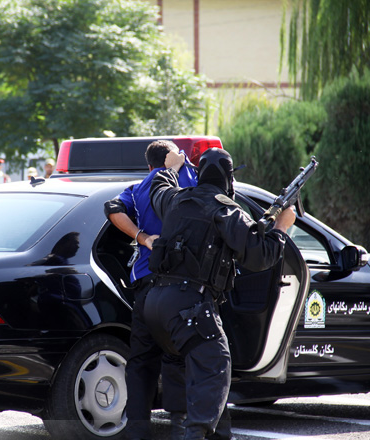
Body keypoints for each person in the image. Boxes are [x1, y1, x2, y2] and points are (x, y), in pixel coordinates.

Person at [144, 148, 296, 440]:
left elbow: (158, 186)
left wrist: (172, 166)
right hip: (191, 307)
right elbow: (259, 257)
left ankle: (203, 434)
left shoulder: (176, 199)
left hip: (157, 307)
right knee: (216, 368)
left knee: (196, 376)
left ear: (200, 174)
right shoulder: (226, 209)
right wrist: (281, 227)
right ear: (229, 179)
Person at [104, 140, 198, 440]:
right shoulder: (189, 178)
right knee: (177, 357)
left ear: (148, 165)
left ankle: (137, 430)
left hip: (146, 286)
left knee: (142, 359)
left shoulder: (139, 187)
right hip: (184, 287)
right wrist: (181, 164)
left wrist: (142, 237)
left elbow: (112, 208)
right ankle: (179, 429)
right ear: (174, 157)